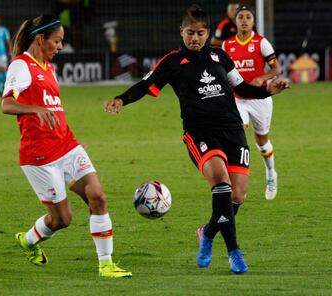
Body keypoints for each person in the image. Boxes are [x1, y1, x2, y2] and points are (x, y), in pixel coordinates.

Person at [104, 5, 289, 274]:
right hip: (200, 133)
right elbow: (146, 84)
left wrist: (268, 90)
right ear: (181, 31)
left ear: (208, 33)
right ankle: (234, 252)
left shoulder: (220, 57)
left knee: (238, 196)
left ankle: (208, 232)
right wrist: (122, 98)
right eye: (190, 33)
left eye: (201, 33)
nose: (195, 38)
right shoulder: (171, 62)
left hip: (233, 130)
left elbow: (243, 88)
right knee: (222, 186)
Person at [1, 14, 131, 278]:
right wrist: (36, 109)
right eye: (57, 41)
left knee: (98, 196)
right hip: (39, 156)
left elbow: (54, 110)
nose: (60, 46)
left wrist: (71, 141)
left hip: (66, 146)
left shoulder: (49, 67)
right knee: (62, 219)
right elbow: (6, 105)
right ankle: (28, 240)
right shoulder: (21, 66)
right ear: (41, 39)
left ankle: (106, 265)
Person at [222, 4, 280, 200]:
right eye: (241, 17)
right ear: (235, 21)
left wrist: (262, 78)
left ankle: (271, 173)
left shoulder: (261, 43)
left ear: (253, 21)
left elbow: (276, 69)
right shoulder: (227, 45)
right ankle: (235, 182)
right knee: (238, 132)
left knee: (262, 141)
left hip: (260, 99)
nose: (244, 20)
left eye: (248, 17)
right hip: (238, 100)